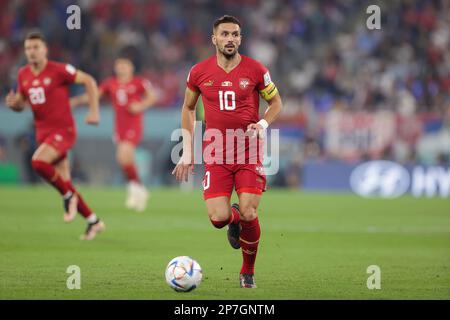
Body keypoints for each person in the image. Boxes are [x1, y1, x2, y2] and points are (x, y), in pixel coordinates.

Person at [172, 15, 283, 288]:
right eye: (225, 34)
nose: (230, 39)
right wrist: (188, 151)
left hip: (248, 151)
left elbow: (276, 102)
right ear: (214, 39)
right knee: (218, 218)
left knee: (250, 212)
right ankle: (232, 216)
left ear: (240, 39)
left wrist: (263, 123)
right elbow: (187, 108)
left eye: (235, 34)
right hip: (216, 153)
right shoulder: (198, 72)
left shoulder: (256, 70)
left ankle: (248, 272)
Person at [5, 30, 105, 240]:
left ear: (45, 50)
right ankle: (93, 221)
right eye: (28, 48)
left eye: (36, 48)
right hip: (43, 133)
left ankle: (67, 196)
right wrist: (15, 105)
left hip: (63, 131)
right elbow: (22, 103)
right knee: (65, 181)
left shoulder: (59, 70)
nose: (32, 52)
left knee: (38, 162)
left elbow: (89, 81)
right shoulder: (23, 74)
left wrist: (94, 111)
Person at [71, 56, 156, 211]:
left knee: (122, 155)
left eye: (125, 65)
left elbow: (152, 97)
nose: (121, 68)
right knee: (125, 160)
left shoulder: (138, 82)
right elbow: (95, 94)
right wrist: (76, 101)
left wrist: (140, 105)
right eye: (119, 65)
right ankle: (139, 189)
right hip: (119, 128)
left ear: (131, 68)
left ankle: (135, 189)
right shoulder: (111, 83)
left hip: (133, 126)